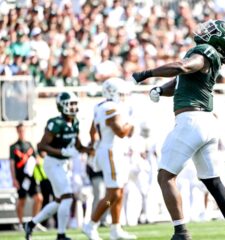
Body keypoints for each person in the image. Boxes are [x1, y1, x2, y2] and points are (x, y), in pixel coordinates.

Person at [131, 20, 225, 240]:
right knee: (213, 180)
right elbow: (180, 81)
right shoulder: (211, 56)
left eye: (212, 31)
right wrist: (159, 88)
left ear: (218, 39)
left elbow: (183, 67)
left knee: (166, 176)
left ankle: (181, 232)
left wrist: (146, 73)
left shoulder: (204, 51)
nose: (206, 31)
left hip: (191, 121)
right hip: (207, 122)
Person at [25, 92, 92, 240]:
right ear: (62, 106)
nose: (74, 107)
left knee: (59, 200)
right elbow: (41, 145)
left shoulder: (75, 122)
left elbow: (78, 145)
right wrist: (61, 151)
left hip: (63, 165)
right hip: (52, 163)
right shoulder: (55, 123)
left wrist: (91, 149)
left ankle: (31, 224)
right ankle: (61, 234)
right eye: (70, 104)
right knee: (67, 196)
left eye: (75, 104)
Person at [83, 78, 136, 240]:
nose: (123, 96)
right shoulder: (110, 107)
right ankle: (91, 224)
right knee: (112, 193)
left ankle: (115, 228)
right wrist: (131, 122)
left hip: (111, 150)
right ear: (113, 92)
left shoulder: (100, 106)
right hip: (111, 151)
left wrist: (95, 144)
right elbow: (121, 132)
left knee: (119, 192)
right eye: (121, 93)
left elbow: (92, 131)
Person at [9, 123, 43, 231]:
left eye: (23, 130)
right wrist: (14, 179)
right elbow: (12, 164)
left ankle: (34, 222)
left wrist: (38, 160)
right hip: (21, 178)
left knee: (39, 198)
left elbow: (36, 158)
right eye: (20, 131)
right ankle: (20, 224)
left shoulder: (29, 145)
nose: (22, 133)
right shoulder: (14, 147)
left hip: (31, 177)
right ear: (17, 131)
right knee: (22, 200)